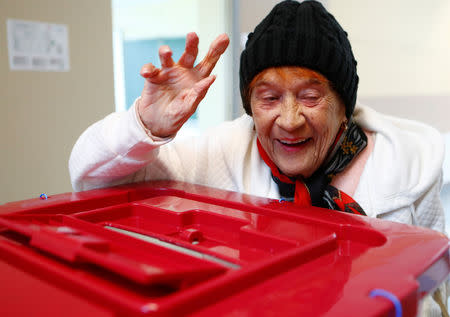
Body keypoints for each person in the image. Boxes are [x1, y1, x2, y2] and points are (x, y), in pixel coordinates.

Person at [69, 1, 447, 315]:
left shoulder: (413, 168)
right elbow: (92, 181)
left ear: (344, 106)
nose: (289, 120)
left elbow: (437, 288)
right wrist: (145, 125)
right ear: (250, 106)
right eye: (268, 98)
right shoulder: (222, 152)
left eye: (310, 97)